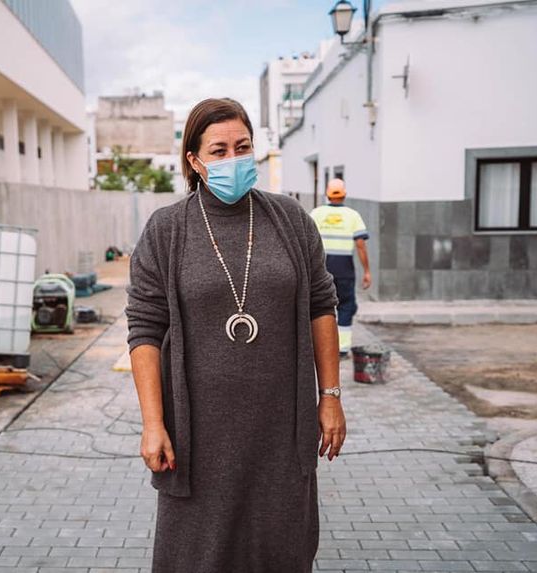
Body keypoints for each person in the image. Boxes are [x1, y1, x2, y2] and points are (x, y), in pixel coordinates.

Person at [125, 98, 347, 572]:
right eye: (219, 150)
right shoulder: (167, 230)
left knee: (280, 550)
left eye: (242, 148)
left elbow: (321, 307)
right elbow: (144, 328)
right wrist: (152, 423)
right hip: (196, 435)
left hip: (280, 431)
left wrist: (330, 396)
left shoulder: (290, 221)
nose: (233, 160)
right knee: (197, 555)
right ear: (195, 160)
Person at [309, 179, 371, 356]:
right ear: (344, 194)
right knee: (345, 306)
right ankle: (342, 349)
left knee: (319, 306)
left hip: (321, 269)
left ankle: (319, 347)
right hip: (345, 270)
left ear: (327, 193)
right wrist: (366, 271)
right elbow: (360, 245)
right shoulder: (353, 215)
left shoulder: (316, 214)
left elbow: (307, 242)